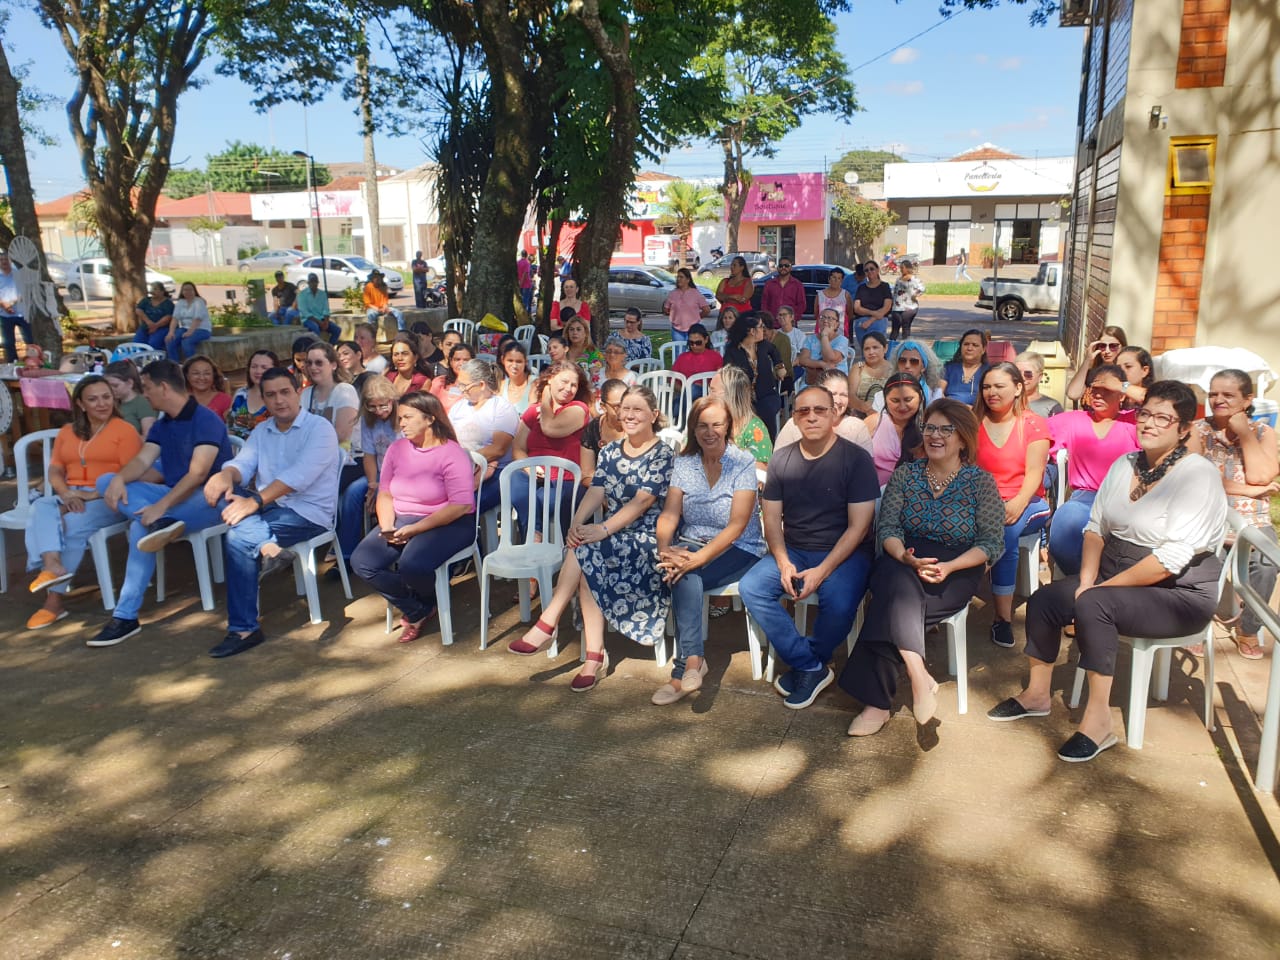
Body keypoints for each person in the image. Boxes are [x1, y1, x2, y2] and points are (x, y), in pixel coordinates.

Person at [989, 381, 1229, 763]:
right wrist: (1086, 580)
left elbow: (1170, 559)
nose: (1149, 424)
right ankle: (1037, 695)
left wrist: (1099, 589)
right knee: (1046, 599)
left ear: (1184, 428)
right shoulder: (1126, 464)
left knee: (1095, 605)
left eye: (1162, 418)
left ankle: (1099, 723)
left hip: (1177, 591)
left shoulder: (1197, 475)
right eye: (1146, 414)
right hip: (1116, 574)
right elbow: (1096, 527)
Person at [840, 400, 1005, 736]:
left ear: (963, 438)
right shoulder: (906, 474)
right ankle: (918, 674)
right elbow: (888, 529)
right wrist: (905, 557)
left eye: (946, 429)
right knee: (893, 577)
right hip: (907, 558)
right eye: (930, 427)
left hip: (957, 568)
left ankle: (877, 705)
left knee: (887, 604)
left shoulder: (980, 482)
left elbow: (991, 544)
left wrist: (950, 566)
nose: (935, 435)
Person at [508, 385, 675, 691]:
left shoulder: (663, 453)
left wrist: (601, 529)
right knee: (583, 550)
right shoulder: (610, 450)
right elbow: (597, 489)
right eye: (625, 409)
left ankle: (554, 626)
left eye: (637, 409)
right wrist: (576, 523)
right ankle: (590, 655)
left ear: (654, 415)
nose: (629, 415)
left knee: (587, 553)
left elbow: (642, 502)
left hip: (646, 538)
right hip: (609, 534)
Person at [739, 384, 880, 709]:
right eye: (804, 410)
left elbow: (859, 527)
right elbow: (772, 520)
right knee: (752, 587)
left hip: (846, 553)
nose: (812, 416)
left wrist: (822, 571)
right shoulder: (782, 459)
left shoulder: (855, 459)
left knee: (839, 602)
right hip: (796, 548)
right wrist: (784, 561)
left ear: (834, 415)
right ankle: (810, 664)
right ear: (794, 417)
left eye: (820, 410)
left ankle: (809, 663)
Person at [87, 360, 234, 647]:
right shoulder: (163, 423)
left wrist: (161, 506)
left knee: (143, 528)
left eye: (148, 388)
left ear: (164, 387)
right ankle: (159, 524)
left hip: (210, 499)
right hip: (172, 495)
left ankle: (125, 616)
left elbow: (198, 473)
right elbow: (143, 460)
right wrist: (119, 479)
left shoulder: (205, 419)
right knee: (105, 481)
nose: (145, 395)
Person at [201, 368, 340, 658]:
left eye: (285, 392)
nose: (279, 400)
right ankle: (266, 544)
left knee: (238, 537)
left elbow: (298, 477)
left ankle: (244, 629)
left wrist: (254, 503)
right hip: (270, 508)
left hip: (308, 513)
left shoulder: (319, 428)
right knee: (225, 499)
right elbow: (244, 463)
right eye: (271, 395)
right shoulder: (262, 430)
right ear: (263, 398)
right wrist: (226, 474)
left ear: (297, 392)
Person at [651, 395, 767, 704]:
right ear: (693, 428)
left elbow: (737, 525)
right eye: (702, 425)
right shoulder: (685, 463)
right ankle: (693, 663)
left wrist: (696, 558)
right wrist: (665, 549)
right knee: (681, 570)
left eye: (717, 424)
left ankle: (683, 670)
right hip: (692, 543)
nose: (709, 432)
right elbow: (670, 515)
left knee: (685, 572)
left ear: (728, 426)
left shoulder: (741, 461)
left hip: (741, 547)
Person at [351, 392, 478, 644]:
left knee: (412, 564)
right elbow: (385, 492)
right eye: (401, 418)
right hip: (402, 518)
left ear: (429, 419)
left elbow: (461, 505)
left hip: (448, 521)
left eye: (408, 417)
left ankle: (422, 599)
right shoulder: (397, 449)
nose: (402, 424)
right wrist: (387, 525)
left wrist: (415, 529)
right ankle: (418, 608)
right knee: (362, 562)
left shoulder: (451, 453)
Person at [23, 376, 144, 629]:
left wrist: (90, 496)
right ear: (80, 403)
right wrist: (67, 494)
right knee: (41, 507)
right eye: (93, 399)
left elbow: (130, 476)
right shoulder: (68, 432)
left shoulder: (124, 430)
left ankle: (54, 602)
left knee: (73, 524)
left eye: (106, 397)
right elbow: (55, 470)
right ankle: (51, 564)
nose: (101, 404)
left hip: (110, 497)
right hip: (72, 493)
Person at [1190, 369, 1280, 660]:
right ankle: (1195, 624)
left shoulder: (1264, 433)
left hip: (1254, 521)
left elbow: (1264, 473)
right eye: (1213, 393)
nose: (1218, 400)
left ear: (1247, 399)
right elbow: (1199, 479)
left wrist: (1243, 433)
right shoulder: (1197, 431)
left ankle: (1249, 628)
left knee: (1267, 564)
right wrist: (1253, 490)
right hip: (1209, 517)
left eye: (1228, 395)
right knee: (1200, 562)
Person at [974, 361, 1053, 647]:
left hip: (1029, 501)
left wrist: (1017, 502)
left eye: (999, 386)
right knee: (997, 528)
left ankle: (1001, 618)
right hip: (984, 503)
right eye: (986, 387)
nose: (991, 392)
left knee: (1004, 530)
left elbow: (1035, 473)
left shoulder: (1032, 423)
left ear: (1018, 388)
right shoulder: (974, 421)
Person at [1047, 364, 1138, 575]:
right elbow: (1034, 432)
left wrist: (1122, 385)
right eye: (1095, 389)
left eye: (1106, 390)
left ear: (1122, 395)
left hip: (1125, 497)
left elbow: (1169, 403)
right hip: (1085, 498)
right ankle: (1085, 581)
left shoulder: (1134, 421)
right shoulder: (1073, 420)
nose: (1098, 394)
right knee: (1065, 522)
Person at [510, 361, 592, 539]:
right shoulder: (532, 412)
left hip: (565, 480)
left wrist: (546, 398)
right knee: (516, 479)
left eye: (574, 385)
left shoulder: (579, 409)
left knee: (537, 500)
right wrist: (528, 467)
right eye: (564, 382)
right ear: (550, 380)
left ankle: (536, 538)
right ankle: (535, 535)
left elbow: (550, 428)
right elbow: (518, 447)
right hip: (534, 476)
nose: (568, 388)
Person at [338, 375, 400, 559]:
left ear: (392, 401)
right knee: (353, 492)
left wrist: (382, 486)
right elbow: (369, 455)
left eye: (383, 405)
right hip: (379, 471)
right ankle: (346, 552)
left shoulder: (401, 417)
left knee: (386, 498)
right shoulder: (367, 420)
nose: (378, 411)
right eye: (372, 406)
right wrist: (373, 483)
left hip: (400, 474)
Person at [451, 358, 519, 514]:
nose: (461, 390)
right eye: (459, 385)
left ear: (481, 385)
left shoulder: (501, 408)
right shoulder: (458, 407)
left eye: (464, 385)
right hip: (460, 470)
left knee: (464, 506)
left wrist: (462, 460)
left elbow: (498, 449)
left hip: (497, 472)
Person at [776, 368, 872, 454]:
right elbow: (778, 464)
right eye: (833, 394)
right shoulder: (794, 425)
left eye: (843, 395)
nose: (838, 400)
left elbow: (866, 467)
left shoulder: (857, 428)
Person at [722, 312, 785, 437]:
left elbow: (774, 351)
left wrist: (779, 366)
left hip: (767, 394)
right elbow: (729, 374)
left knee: (766, 409)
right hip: (743, 397)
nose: (764, 329)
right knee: (744, 411)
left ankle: (768, 448)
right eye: (761, 326)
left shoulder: (763, 345)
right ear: (751, 331)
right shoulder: (733, 351)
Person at [300, 342, 360, 471]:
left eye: (319, 363)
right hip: (313, 459)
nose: (313, 367)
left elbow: (341, 435)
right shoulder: (306, 394)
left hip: (347, 460)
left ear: (333, 365)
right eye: (309, 363)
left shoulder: (345, 391)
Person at [864, 371, 926, 487]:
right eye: (895, 401)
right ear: (885, 400)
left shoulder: (929, 428)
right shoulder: (874, 422)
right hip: (870, 494)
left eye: (908, 400)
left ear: (920, 397)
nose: (902, 406)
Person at [710, 365, 772, 469]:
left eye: (713, 391)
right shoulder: (705, 422)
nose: (708, 397)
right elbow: (686, 451)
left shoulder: (754, 428)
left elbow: (762, 469)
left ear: (731, 396)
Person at [580, 379, 627, 485]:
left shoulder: (638, 426)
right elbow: (587, 474)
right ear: (603, 407)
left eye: (627, 403)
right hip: (599, 488)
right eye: (617, 406)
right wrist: (603, 492)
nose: (624, 410)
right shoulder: (593, 429)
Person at [1064, 325, 1126, 403]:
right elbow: (1072, 394)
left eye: (1113, 346)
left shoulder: (1125, 373)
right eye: (1102, 346)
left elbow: (1127, 392)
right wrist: (1087, 360)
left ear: (1122, 347)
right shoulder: (1092, 373)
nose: (1107, 351)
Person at [877, 340, 945, 410]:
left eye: (914, 361)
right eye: (902, 361)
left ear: (923, 367)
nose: (907, 365)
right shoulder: (881, 396)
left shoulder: (935, 395)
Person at [228, 350, 279, 440]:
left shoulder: (279, 398)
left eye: (264, 367)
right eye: (254, 367)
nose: (258, 371)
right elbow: (231, 429)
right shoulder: (240, 394)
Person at [795, 307, 850, 386]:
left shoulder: (842, 340)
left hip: (835, 381)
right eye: (822, 317)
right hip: (812, 381)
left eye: (830, 318)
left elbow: (830, 359)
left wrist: (824, 335)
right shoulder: (810, 339)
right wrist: (821, 364)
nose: (825, 320)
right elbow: (803, 360)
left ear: (837, 324)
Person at [104, 360, 156, 436]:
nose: (111, 389)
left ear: (129, 383)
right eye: (108, 386)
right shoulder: (112, 402)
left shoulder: (143, 403)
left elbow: (148, 437)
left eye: (115, 386)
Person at [847, 330, 893, 417]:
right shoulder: (858, 368)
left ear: (885, 348)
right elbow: (850, 395)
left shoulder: (894, 369)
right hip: (861, 416)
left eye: (875, 347)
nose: (871, 352)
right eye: (867, 349)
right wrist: (864, 407)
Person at [0, 249, 33, 363]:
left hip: (22, 313)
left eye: (6, 259)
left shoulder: (18, 274)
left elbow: (26, 292)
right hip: (5, 315)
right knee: (9, 343)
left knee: (30, 340)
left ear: (10, 261)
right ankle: (13, 365)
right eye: (1, 260)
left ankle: (32, 363)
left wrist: (12, 303)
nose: (4, 262)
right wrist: (4, 305)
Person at [942, 329, 989, 406]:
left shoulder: (989, 371)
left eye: (975, 345)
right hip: (950, 411)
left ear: (983, 350)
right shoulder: (949, 368)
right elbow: (938, 393)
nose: (969, 348)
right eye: (966, 344)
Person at [663, 267, 710, 343]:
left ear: (688, 280)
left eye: (681, 277)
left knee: (693, 351)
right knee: (679, 353)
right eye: (677, 277)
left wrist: (697, 317)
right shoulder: (673, 293)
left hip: (693, 330)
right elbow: (666, 309)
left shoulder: (695, 293)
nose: (678, 279)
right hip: (677, 330)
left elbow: (706, 310)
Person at [852, 260, 894, 340]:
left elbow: (886, 307)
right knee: (864, 350)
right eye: (866, 270)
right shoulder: (861, 288)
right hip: (861, 322)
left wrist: (870, 320)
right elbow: (857, 308)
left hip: (878, 321)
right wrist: (873, 313)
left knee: (877, 348)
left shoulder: (884, 286)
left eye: (872, 269)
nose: (869, 271)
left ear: (877, 270)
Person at [1015, 351, 1064, 419]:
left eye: (1028, 374)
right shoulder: (1006, 402)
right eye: (1018, 373)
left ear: (1040, 377)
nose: (1022, 378)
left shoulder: (1052, 407)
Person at [430, 342, 475, 412]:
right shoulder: (440, 382)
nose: (461, 363)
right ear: (451, 361)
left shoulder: (479, 384)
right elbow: (430, 406)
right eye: (457, 359)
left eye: (466, 360)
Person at [183, 355, 231, 420]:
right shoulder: (179, 399)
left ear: (213, 376)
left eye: (207, 373)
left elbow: (238, 428)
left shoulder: (225, 400)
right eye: (196, 373)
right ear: (187, 376)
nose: (202, 378)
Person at [760, 258, 807, 324]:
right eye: (781, 266)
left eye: (786, 265)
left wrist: (794, 318)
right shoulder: (769, 284)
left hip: (790, 324)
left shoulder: (797, 285)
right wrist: (767, 319)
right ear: (777, 267)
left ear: (791, 267)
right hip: (773, 324)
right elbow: (764, 303)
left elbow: (802, 305)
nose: (783, 267)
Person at [297, 273, 339, 343]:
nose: (314, 284)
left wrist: (326, 322)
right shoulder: (302, 295)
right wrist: (319, 322)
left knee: (337, 330)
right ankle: (317, 348)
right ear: (308, 283)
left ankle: (330, 347)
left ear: (318, 282)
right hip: (308, 320)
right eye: (312, 281)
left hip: (322, 319)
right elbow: (305, 313)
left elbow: (326, 310)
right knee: (315, 328)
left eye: (315, 281)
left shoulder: (322, 294)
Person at [889, 260, 926, 342]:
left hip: (910, 307)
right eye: (900, 268)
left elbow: (922, 288)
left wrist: (915, 295)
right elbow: (895, 292)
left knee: (905, 328)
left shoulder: (914, 279)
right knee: (894, 330)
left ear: (908, 268)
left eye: (902, 268)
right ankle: (891, 348)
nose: (901, 270)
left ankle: (906, 347)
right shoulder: (899, 279)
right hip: (897, 307)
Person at [815, 267, 856, 339]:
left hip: (840, 332)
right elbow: (816, 314)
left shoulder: (846, 295)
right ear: (829, 279)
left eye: (839, 278)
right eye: (834, 277)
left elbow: (850, 314)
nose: (836, 280)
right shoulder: (820, 295)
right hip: (822, 332)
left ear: (842, 280)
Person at [132, 282, 174, 351]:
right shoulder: (146, 300)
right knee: (137, 343)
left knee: (153, 343)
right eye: (152, 289)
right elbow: (139, 310)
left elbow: (168, 317)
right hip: (146, 327)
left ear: (162, 291)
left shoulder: (168, 304)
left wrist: (156, 326)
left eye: (155, 289)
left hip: (162, 328)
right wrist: (148, 322)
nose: (152, 291)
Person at [498, 341, 534, 414]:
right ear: (503, 360)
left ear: (526, 362)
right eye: (510, 361)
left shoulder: (534, 384)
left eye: (519, 362)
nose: (514, 366)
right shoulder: (501, 386)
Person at [1116, 346, 1155, 410]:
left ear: (1144, 371)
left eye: (1128, 366)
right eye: (1118, 368)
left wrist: (1118, 385)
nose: (1122, 371)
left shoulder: (1155, 396)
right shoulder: (1114, 397)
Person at [517, 250, 534, 314]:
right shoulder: (526, 263)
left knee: (522, 300)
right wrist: (521, 283)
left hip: (520, 283)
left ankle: (524, 313)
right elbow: (525, 273)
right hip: (526, 284)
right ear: (527, 255)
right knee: (526, 300)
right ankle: (526, 314)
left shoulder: (518, 262)